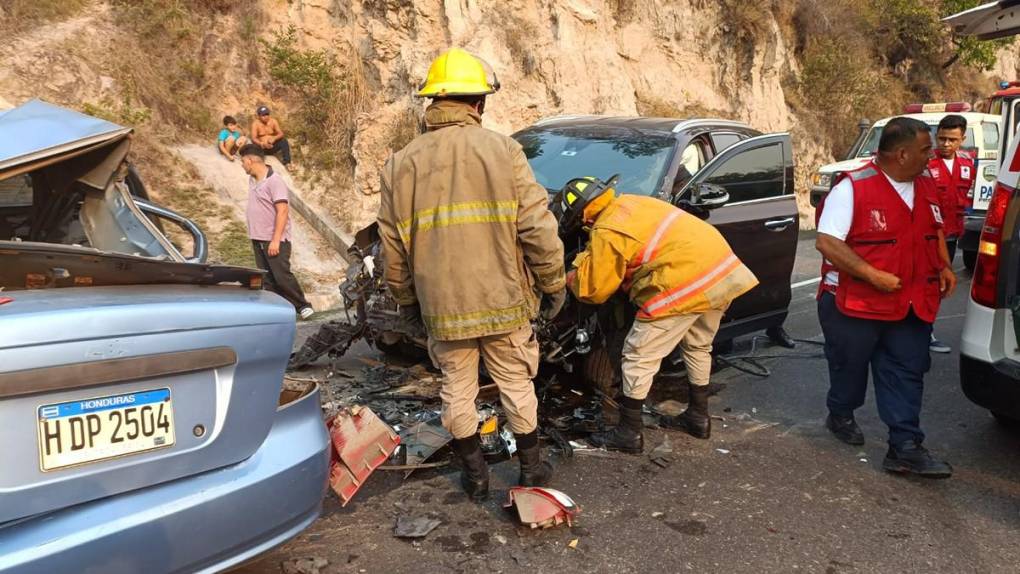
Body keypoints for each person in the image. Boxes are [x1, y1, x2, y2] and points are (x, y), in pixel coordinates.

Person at [376, 48, 566, 503]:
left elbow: (392, 249)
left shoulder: (400, 164)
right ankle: (531, 468)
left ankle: (475, 475)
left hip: (443, 308)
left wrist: (407, 301)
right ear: (477, 104)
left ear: (433, 104)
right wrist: (554, 282)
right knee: (517, 384)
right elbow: (537, 228)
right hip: (504, 299)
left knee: (456, 391)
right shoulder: (504, 150)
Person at [562, 176, 759, 453]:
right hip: (720, 270)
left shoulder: (607, 228)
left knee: (638, 356)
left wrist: (569, 276)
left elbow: (593, 289)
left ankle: (629, 433)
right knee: (698, 345)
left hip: (682, 280)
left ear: (581, 213)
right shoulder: (634, 202)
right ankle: (698, 417)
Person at [815, 117, 957, 479]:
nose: (932, 155)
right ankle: (841, 412)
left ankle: (905, 447)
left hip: (910, 303)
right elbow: (827, 242)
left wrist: (942, 266)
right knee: (850, 368)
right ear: (901, 153)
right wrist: (872, 275)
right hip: (856, 303)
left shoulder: (925, 184)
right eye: (926, 149)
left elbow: (934, 229)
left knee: (907, 370)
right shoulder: (853, 188)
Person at [238, 144, 314, 319]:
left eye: (243, 161)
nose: (242, 165)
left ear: (250, 160)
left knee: (282, 276)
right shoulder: (253, 180)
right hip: (257, 238)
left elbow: (283, 211)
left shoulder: (274, 181)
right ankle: (278, 312)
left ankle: (303, 306)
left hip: (274, 239)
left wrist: (275, 239)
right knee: (268, 280)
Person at [927, 114, 974, 353]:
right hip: (928, 236)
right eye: (942, 138)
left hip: (952, 234)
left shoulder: (967, 165)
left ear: (962, 139)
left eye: (952, 140)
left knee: (940, 285)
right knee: (926, 283)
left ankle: (926, 329)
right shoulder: (925, 164)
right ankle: (923, 332)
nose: (946, 144)